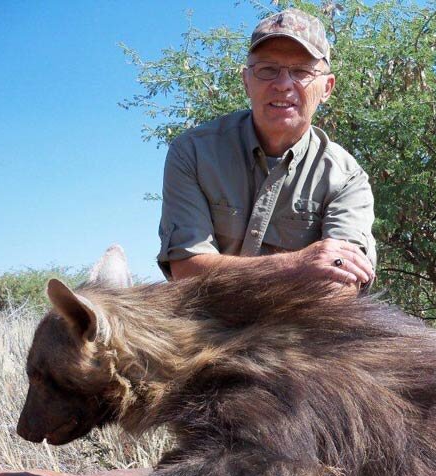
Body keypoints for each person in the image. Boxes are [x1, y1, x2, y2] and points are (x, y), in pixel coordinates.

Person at [156, 8, 376, 288]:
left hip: (301, 328)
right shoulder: (193, 153)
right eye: (267, 70)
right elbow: (187, 270)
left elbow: (339, 285)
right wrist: (297, 265)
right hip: (204, 327)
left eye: (301, 71)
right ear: (246, 81)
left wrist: (229, 277)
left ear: (327, 88)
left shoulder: (346, 178)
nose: (283, 84)